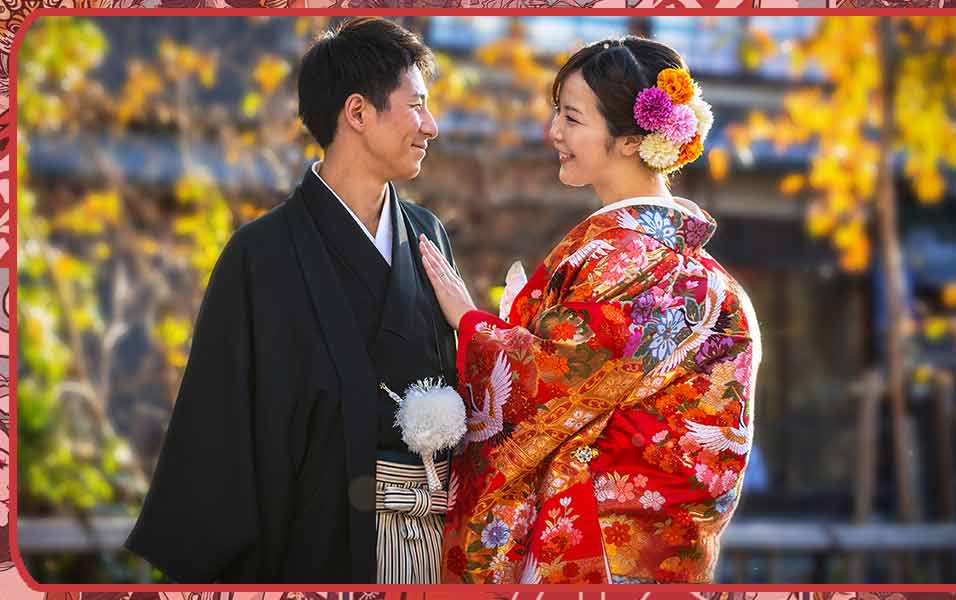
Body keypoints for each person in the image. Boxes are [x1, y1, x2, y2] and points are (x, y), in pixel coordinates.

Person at [125, 17, 459, 584]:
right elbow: (219, 426)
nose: (431, 125)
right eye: (416, 105)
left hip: (432, 542)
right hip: (315, 543)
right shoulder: (259, 256)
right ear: (357, 113)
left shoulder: (425, 233)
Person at [420, 36, 762, 584]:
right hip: (651, 552)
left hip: (592, 543)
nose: (554, 130)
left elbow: (550, 379)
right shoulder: (690, 269)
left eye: (572, 117)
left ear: (630, 140)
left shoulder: (633, 259)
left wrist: (471, 322)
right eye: (557, 111)